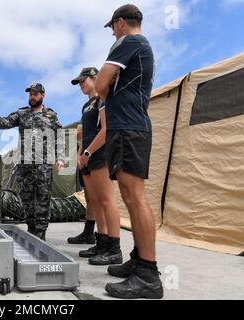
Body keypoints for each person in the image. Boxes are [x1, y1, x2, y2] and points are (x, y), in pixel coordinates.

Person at [95, 4, 164, 299]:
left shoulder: (128, 42)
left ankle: (148, 274)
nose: (112, 31)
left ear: (121, 23)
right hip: (130, 127)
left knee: (135, 197)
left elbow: (100, 84)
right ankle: (138, 259)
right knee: (129, 195)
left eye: (112, 26)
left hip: (129, 128)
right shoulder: (139, 46)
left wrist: (107, 86)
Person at [0, 83, 65, 241]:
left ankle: (41, 234)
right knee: (27, 198)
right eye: (30, 94)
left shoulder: (51, 115)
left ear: (43, 95)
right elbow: (8, 121)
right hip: (25, 163)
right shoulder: (22, 113)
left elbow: (59, 137)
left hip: (44, 164)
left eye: (35, 94)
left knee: (43, 198)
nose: (32, 97)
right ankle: (31, 228)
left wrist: (60, 157)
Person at [70, 68, 122, 266]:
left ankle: (114, 249)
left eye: (83, 81)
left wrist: (89, 153)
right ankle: (101, 243)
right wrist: (80, 153)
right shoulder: (86, 105)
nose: (81, 85)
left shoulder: (103, 97)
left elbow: (107, 129)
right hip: (87, 157)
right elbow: (85, 134)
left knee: (107, 200)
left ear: (95, 78)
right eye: (79, 82)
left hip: (101, 155)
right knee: (96, 201)